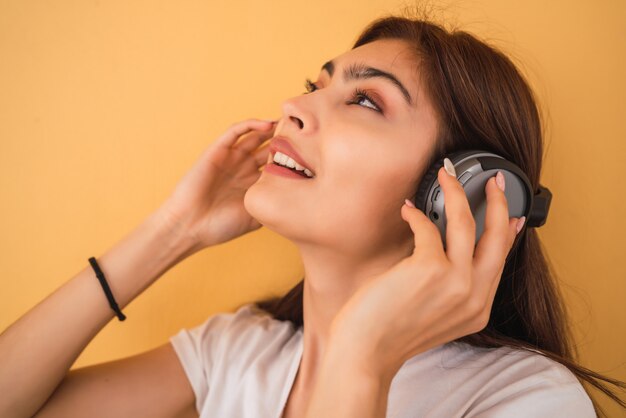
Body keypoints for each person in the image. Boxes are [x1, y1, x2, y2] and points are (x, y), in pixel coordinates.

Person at [0, 11, 624, 418]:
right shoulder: (239, 353)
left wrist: (362, 357)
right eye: (315, 83)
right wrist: (174, 231)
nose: (294, 106)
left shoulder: (525, 400)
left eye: (364, 100)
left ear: (469, 190)